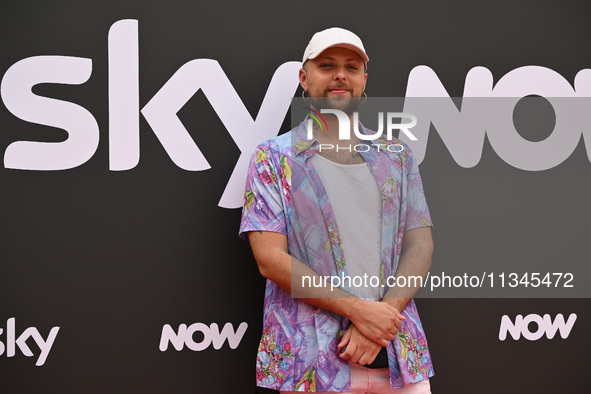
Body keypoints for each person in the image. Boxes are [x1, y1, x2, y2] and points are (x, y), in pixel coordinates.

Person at [239, 27, 434, 393]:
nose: (340, 75)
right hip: (309, 361)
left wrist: (380, 323)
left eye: (351, 67)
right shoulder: (273, 158)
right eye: (327, 65)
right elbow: (270, 259)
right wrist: (360, 312)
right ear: (304, 78)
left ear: (363, 80)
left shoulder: (397, 155)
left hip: (397, 356)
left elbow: (420, 247)